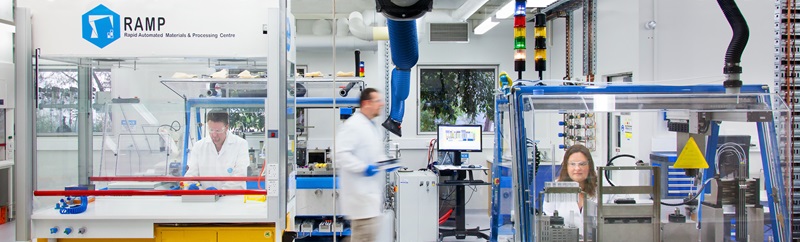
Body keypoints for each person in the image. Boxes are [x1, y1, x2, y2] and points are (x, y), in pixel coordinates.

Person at [335, 88, 394, 242]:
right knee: (363, 237)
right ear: (366, 103)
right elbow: (341, 154)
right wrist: (364, 168)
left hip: (370, 201)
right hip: (360, 199)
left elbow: (373, 154)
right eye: (377, 101)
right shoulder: (353, 125)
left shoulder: (370, 126)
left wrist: (387, 162)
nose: (381, 104)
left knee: (365, 236)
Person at [184, 109, 250, 190]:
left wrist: (220, 192)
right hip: (206, 199)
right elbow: (191, 175)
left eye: (218, 131)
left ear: (226, 127)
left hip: (232, 199)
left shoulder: (240, 144)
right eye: (211, 130)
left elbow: (240, 176)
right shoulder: (199, 146)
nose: (214, 135)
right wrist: (191, 186)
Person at [542, 144, 598, 235]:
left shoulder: (602, 186)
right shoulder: (555, 189)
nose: (577, 168)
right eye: (572, 164)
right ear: (566, 166)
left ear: (589, 166)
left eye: (582, 164)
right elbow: (548, 223)